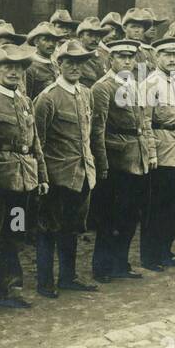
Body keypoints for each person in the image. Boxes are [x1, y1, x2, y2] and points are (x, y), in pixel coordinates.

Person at [0, 43, 47, 316]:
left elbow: (34, 142)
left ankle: (11, 289)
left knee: (15, 235)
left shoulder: (26, 102)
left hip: (22, 182)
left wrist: (41, 175)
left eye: (19, 68)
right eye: (9, 67)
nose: (14, 72)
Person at [33, 40, 100, 297]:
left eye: (79, 62)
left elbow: (87, 134)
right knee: (49, 229)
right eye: (69, 62)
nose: (74, 67)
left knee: (72, 229)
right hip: (57, 175)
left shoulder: (85, 93)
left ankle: (68, 277)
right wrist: (43, 176)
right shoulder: (48, 98)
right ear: (59, 64)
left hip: (82, 174)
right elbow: (38, 140)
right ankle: (45, 282)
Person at [90, 39, 155, 282]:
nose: (127, 61)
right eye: (121, 56)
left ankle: (121, 263)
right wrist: (103, 163)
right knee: (109, 216)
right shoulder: (103, 87)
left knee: (130, 215)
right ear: (110, 59)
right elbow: (98, 130)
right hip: (115, 159)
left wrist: (148, 153)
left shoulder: (135, 85)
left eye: (130, 56)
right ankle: (102, 267)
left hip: (136, 157)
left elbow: (143, 123)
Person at [141, 38, 175, 270]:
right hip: (161, 149)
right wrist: (151, 153)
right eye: (167, 54)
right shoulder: (150, 84)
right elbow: (145, 123)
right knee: (157, 205)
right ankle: (150, 256)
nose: (173, 59)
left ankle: (166, 251)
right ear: (156, 56)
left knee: (174, 204)